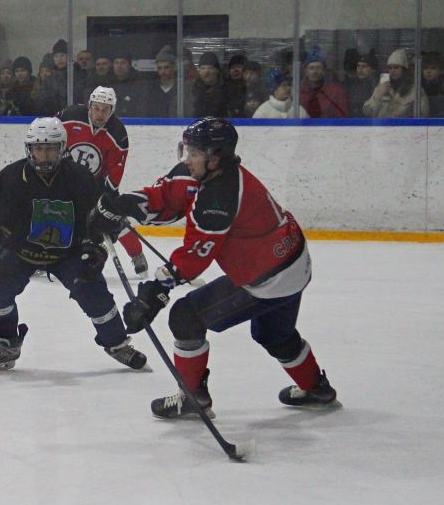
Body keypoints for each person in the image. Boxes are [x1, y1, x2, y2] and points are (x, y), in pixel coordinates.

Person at [86, 117, 337, 419]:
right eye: (187, 150)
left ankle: (193, 398)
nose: (186, 159)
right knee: (274, 334)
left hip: (270, 276)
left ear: (215, 157)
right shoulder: (206, 173)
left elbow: (194, 257)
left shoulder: (220, 197)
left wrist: (155, 292)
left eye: (194, 153)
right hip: (294, 260)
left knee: (186, 316)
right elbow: (168, 195)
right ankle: (317, 388)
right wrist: (122, 204)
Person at [0, 116, 147, 372]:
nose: (44, 155)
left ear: (62, 148)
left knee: (93, 292)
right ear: (29, 148)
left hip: (68, 253)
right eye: (38, 148)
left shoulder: (80, 177)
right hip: (22, 250)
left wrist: (94, 247)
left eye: (50, 149)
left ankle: (117, 344)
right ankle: (8, 345)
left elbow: (94, 222)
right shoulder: (12, 176)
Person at [58, 86, 146, 277]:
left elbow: (116, 167)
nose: (100, 114)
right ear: (89, 105)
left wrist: (108, 193)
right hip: (64, 178)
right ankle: (43, 254)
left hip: (96, 184)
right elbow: (51, 133)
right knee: (50, 210)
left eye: (105, 110)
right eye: (96, 108)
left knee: (111, 217)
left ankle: (137, 254)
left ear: (112, 110)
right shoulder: (70, 115)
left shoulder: (118, 132)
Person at [363, 49, 428, 118]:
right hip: (382, 125)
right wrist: (377, 97)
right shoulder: (381, 87)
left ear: (404, 70)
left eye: (396, 67)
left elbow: (423, 116)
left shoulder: (415, 91)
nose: (393, 71)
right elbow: (367, 113)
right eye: (390, 68)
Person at [299, 48, 348, 118]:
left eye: (318, 68)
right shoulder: (298, 91)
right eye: (311, 68)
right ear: (306, 71)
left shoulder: (336, 92)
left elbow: (342, 117)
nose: (315, 71)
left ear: (324, 71)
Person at [342, 51, 378, 117]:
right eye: (358, 66)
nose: (360, 69)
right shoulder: (350, 85)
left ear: (372, 69)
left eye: (364, 66)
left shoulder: (376, 86)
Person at [190, 52, 227, 117]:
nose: (206, 71)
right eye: (203, 68)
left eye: (210, 68)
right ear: (199, 71)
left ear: (217, 70)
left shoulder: (227, 89)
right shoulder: (192, 89)